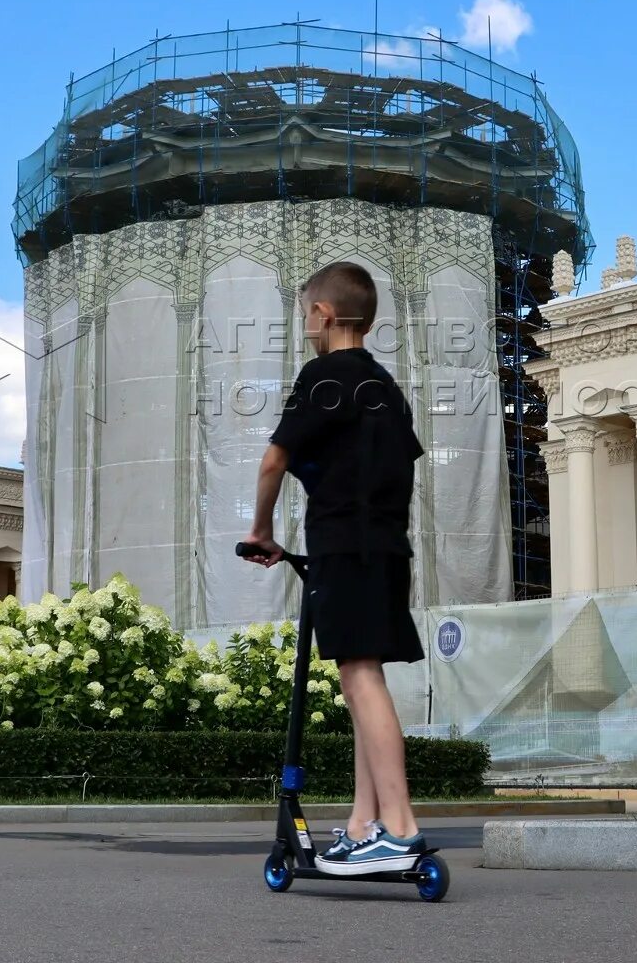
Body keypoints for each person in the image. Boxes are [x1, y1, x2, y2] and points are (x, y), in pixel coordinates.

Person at [241, 260, 428, 875]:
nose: (305, 330)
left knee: (358, 678)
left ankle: (398, 829)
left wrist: (262, 529)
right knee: (363, 678)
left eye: (305, 318)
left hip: (344, 545)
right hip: (387, 546)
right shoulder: (386, 388)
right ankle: (361, 823)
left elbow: (274, 460)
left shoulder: (323, 377)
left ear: (322, 314)